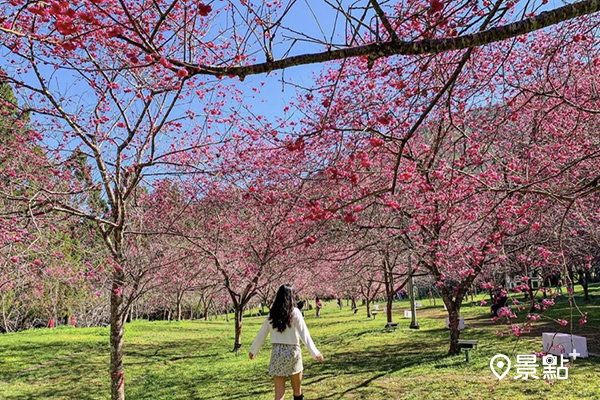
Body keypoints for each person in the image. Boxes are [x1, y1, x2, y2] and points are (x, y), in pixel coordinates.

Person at [249, 285, 324, 400]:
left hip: (277, 353)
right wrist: (315, 353)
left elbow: (262, 334)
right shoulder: (295, 313)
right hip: (292, 353)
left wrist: (253, 350)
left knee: (279, 394)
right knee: (297, 392)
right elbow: (305, 335)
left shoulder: (272, 314)